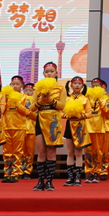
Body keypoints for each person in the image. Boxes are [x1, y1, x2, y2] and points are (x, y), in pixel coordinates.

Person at [33, 62, 65, 191]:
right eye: (47, 72)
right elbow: (31, 107)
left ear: (56, 73)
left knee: (51, 152)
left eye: (52, 71)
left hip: (53, 122)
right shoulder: (38, 88)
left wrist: (50, 100)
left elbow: (62, 106)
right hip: (40, 119)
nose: (49, 74)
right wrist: (41, 101)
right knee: (41, 151)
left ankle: (50, 182)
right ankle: (40, 181)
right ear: (43, 74)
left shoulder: (60, 88)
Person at [1, 75, 34, 184]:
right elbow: (1, 110)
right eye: (13, 84)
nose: (15, 86)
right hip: (6, 127)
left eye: (17, 84)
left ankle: (15, 174)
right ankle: (7, 173)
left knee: (18, 152)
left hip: (19, 127)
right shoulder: (5, 96)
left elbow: (28, 112)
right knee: (6, 152)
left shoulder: (25, 98)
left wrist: (17, 105)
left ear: (22, 86)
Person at [62, 76, 91, 186]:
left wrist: (81, 116)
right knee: (70, 152)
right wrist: (67, 116)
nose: (77, 85)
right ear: (71, 85)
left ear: (82, 85)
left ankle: (78, 178)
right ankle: (70, 178)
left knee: (79, 153)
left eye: (79, 83)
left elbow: (89, 113)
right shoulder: (67, 99)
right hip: (69, 125)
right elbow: (61, 112)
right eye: (75, 83)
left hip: (80, 127)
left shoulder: (85, 99)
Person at [85, 78, 109, 183]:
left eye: (97, 85)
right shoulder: (87, 98)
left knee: (102, 151)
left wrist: (101, 103)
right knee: (89, 151)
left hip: (102, 128)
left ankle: (102, 171)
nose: (95, 87)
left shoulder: (106, 99)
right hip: (89, 128)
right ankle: (89, 171)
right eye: (93, 85)